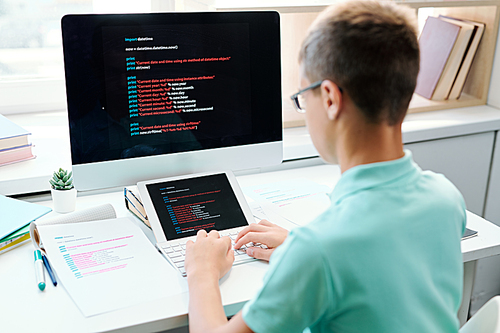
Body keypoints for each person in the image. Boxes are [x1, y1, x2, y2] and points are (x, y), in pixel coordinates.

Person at [184, 1, 467, 332]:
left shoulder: (317, 251)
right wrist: (300, 247)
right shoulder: (447, 198)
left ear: (330, 99)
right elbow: (387, 262)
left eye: (304, 96)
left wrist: (201, 273)